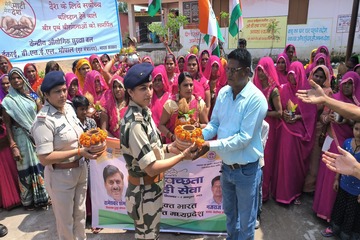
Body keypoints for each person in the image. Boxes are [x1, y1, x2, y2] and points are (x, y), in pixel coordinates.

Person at [194, 48, 268, 239]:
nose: (228, 73)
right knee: (230, 215)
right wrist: (198, 136)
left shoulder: (256, 100)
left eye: (234, 70)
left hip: (246, 171)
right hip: (226, 168)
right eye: (228, 69)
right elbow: (215, 123)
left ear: (246, 71)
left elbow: (243, 138)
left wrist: (210, 145)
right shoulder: (225, 93)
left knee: (246, 221)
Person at [120, 63, 197, 240]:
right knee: (147, 236)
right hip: (143, 191)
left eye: (149, 87)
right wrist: (182, 156)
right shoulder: (135, 124)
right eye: (142, 89)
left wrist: (170, 147)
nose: (149, 92)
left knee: (152, 234)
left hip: (150, 189)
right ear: (130, 92)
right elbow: (151, 167)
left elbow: (151, 148)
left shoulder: (144, 113)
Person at [31, 71, 100, 240]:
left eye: (63, 90)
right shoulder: (43, 121)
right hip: (61, 176)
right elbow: (44, 158)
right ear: (46, 95)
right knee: (65, 222)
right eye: (57, 92)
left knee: (80, 215)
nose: (62, 95)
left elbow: (77, 137)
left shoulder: (69, 107)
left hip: (80, 170)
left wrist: (90, 141)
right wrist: (78, 151)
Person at [313, 71, 359, 222]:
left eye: (350, 83)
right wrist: (328, 118)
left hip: (345, 147)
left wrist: (347, 121)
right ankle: (318, 208)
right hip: (330, 140)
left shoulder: (356, 104)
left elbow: (356, 125)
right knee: (324, 175)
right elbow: (322, 116)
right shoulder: (334, 99)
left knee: (336, 177)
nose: (346, 87)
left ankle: (329, 214)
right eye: (344, 83)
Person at [2, 67, 48, 210]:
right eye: (12, 79)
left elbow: (41, 114)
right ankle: (29, 201)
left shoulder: (33, 96)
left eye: (18, 77)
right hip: (21, 138)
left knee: (42, 165)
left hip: (36, 136)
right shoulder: (8, 101)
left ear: (23, 79)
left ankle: (45, 197)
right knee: (25, 169)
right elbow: (8, 125)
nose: (16, 81)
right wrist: (13, 146)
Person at [272, 61, 317, 205]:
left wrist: (297, 116)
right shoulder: (284, 89)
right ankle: (280, 193)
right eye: (290, 75)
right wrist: (284, 114)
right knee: (283, 162)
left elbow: (311, 113)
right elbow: (278, 107)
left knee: (294, 165)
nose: (292, 79)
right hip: (285, 131)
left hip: (298, 132)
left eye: (295, 76)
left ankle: (293, 192)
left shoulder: (306, 92)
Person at [321, 122, 360, 239]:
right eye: (356, 129)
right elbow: (340, 163)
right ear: (352, 128)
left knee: (351, 213)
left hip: (356, 191)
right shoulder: (347, 143)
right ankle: (334, 227)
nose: (358, 133)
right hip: (343, 185)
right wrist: (336, 179)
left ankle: (346, 234)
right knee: (339, 207)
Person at [253, 57, 282, 202]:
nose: (260, 74)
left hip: (269, 127)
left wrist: (263, 113)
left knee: (266, 159)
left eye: (262, 70)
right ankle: (255, 190)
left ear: (269, 70)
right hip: (256, 126)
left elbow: (280, 112)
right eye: (258, 70)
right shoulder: (256, 87)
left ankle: (263, 193)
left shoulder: (274, 90)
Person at [303, 65, 333, 194]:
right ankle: (299, 184)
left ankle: (308, 188)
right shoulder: (307, 88)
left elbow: (324, 114)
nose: (318, 79)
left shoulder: (327, 92)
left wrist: (313, 112)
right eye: (316, 75)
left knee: (314, 161)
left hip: (318, 129)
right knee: (304, 158)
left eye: (322, 77)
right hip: (304, 127)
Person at [158, 72, 208, 143]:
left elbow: (207, 125)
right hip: (174, 145)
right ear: (179, 87)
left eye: (191, 85)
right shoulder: (171, 103)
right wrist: (172, 136)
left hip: (193, 144)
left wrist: (199, 125)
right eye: (185, 85)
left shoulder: (199, 102)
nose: (189, 88)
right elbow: (161, 125)